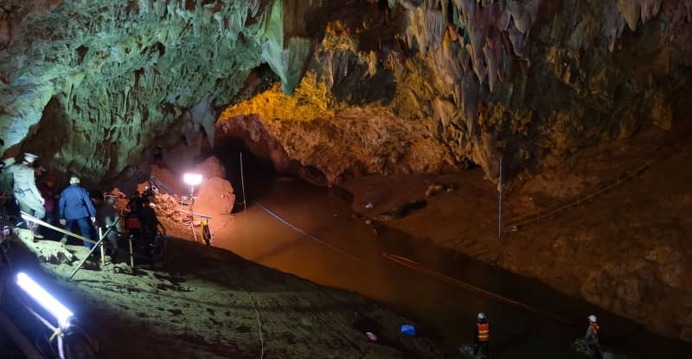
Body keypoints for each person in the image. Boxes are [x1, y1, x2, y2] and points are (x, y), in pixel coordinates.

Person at [5, 153, 45, 238]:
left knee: (27, 213)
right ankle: (34, 228)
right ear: (32, 161)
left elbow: (5, 170)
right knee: (41, 210)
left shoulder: (15, 166)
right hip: (26, 192)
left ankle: (29, 232)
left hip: (17, 193)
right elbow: (32, 185)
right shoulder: (29, 169)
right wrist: (40, 197)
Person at [58, 174, 97, 249]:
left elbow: (61, 204)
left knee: (68, 228)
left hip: (69, 213)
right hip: (81, 213)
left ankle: (64, 239)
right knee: (85, 230)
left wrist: (61, 217)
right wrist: (93, 215)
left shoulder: (65, 191)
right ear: (78, 181)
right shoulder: (82, 190)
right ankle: (88, 247)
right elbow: (89, 203)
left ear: (70, 182)